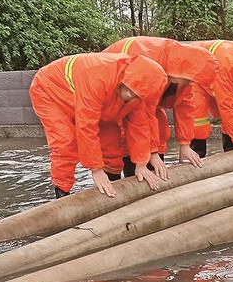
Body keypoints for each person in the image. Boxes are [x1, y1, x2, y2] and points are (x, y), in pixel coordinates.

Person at [29, 53, 167, 198]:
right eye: (130, 90)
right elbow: (86, 126)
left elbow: (139, 126)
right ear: (126, 77)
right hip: (50, 91)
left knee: (112, 145)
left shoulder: (138, 94)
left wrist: (141, 164)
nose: (130, 96)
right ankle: (62, 193)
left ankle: (111, 190)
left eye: (136, 95)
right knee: (66, 143)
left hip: (96, 98)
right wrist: (96, 169)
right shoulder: (97, 76)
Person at [102, 36, 217, 177]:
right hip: (122, 90)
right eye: (188, 80)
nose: (189, 84)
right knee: (118, 141)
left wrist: (185, 144)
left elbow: (185, 106)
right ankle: (119, 179)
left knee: (161, 131)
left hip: (140, 93)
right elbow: (143, 115)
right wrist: (150, 154)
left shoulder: (184, 72)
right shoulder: (149, 63)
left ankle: (151, 168)